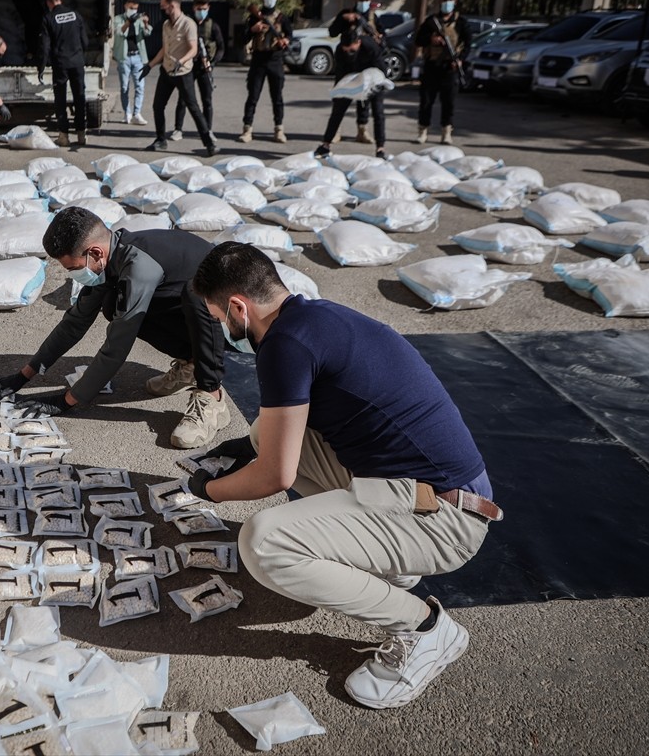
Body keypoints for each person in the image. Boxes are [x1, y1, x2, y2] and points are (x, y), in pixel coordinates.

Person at [187, 242, 502, 710]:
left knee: (264, 542)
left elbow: (275, 476)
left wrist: (206, 490)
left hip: (448, 520)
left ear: (239, 306)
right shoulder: (314, 318)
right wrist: (247, 449)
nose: (220, 328)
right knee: (261, 432)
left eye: (218, 317)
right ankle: (395, 565)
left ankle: (424, 629)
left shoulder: (282, 347)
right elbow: (280, 441)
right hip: (433, 490)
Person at [0, 207, 231, 449]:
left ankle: (212, 394)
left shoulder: (138, 268)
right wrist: (25, 375)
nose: (75, 275)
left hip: (228, 321)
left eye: (75, 269)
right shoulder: (111, 259)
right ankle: (191, 363)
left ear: (95, 253)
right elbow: (75, 322)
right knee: (112, 304)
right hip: (184, 309)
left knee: (194, 296)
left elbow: (117, 347)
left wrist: (66, 401)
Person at [143, 0, 219, 157]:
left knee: (193, 108)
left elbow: (194, 50)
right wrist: (150, 64)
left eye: (163, 7)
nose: (162, 10)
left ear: (172, 6)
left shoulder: (188, 24)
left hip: (183, 73)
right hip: (167, 72)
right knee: (158, 106)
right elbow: (165, 49)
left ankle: (209, 143)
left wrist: (181, 61)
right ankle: (161, 140)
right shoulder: (165, 25)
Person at [314, 28, 387, 159]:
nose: (348, 53)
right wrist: (339, 91)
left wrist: (369, 84)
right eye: (346, 50)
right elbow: (340, 74)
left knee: (378, 112)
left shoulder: (371, 47)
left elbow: (381, 70)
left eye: (352, 50)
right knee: (337, 110)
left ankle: (380, 148)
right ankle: (325, 145)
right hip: (351, 79)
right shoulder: (340, 51)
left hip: (373, 80)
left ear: (358, 42)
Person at [327, 0, 385, 145]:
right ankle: (335, 131)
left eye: (367, 0)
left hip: (366, 63)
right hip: (346, 64)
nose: (364, 3)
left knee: (364, 98)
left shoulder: (373, 18)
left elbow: (382, 39)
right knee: (340, 96)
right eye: (361, 0)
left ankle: (362, 129)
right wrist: (343, 19)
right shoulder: (346, 15)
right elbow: (332, 32)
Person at [414, 0, 470, 145]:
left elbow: (468, 44)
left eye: (450, 0)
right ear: (440, 1)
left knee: (448, 102)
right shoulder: (432, 22)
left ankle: (446, 132)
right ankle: (423, 131)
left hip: (449, 68)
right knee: (426, 101)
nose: (447, 3)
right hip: (432, 66)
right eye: (445, 0)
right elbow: (418, 40)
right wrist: (431, 40)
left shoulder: (461, 22)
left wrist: (460, 60)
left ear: (455, 2)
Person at [238, 0, 292, 144]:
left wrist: (285, 40)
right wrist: (253, 29)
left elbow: (290, 34)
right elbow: (243, 38)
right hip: (258, 60)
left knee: (277, 98)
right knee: (252, 96)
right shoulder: (254, 17)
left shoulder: (282, 17)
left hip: (275, 60)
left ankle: (279, 129)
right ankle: (247, 129)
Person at [39, 0, 89, 147]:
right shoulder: (75, 15)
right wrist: (81, 55)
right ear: (60, 0)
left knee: (60, 99)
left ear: (49, 3)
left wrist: (41, 66)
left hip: (61, 64)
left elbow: (45, 46)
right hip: (77, 62)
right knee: (79, 96)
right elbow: (85, 40)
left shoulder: (48, 18)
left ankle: (64, 136)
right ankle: (81, 134)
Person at [171, 0, 223, 140]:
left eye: (204, 8)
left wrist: (212, 63)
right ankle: (178, 129)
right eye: (199, 8)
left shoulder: (213, 26)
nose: (201, 11)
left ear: (208, 8)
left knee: (207, 100)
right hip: (188, 67)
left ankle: (208, 130)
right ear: (194, 8)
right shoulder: (187, 23)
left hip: (204, 68)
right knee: (183, 98)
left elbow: (221, 48)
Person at [112, 0, 151, 125]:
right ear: (125, 7)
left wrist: (145, 23)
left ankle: (137, 113)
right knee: (124, 87)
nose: (133, 11)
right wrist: (128, 22)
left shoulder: (139, 20)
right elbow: (118, 32)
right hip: (124, 57)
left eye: (135, 8)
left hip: (138, 57)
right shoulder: (118, 19)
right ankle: (127, 113)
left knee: (140, 86)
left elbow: (148, 33)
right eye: (131, 8)